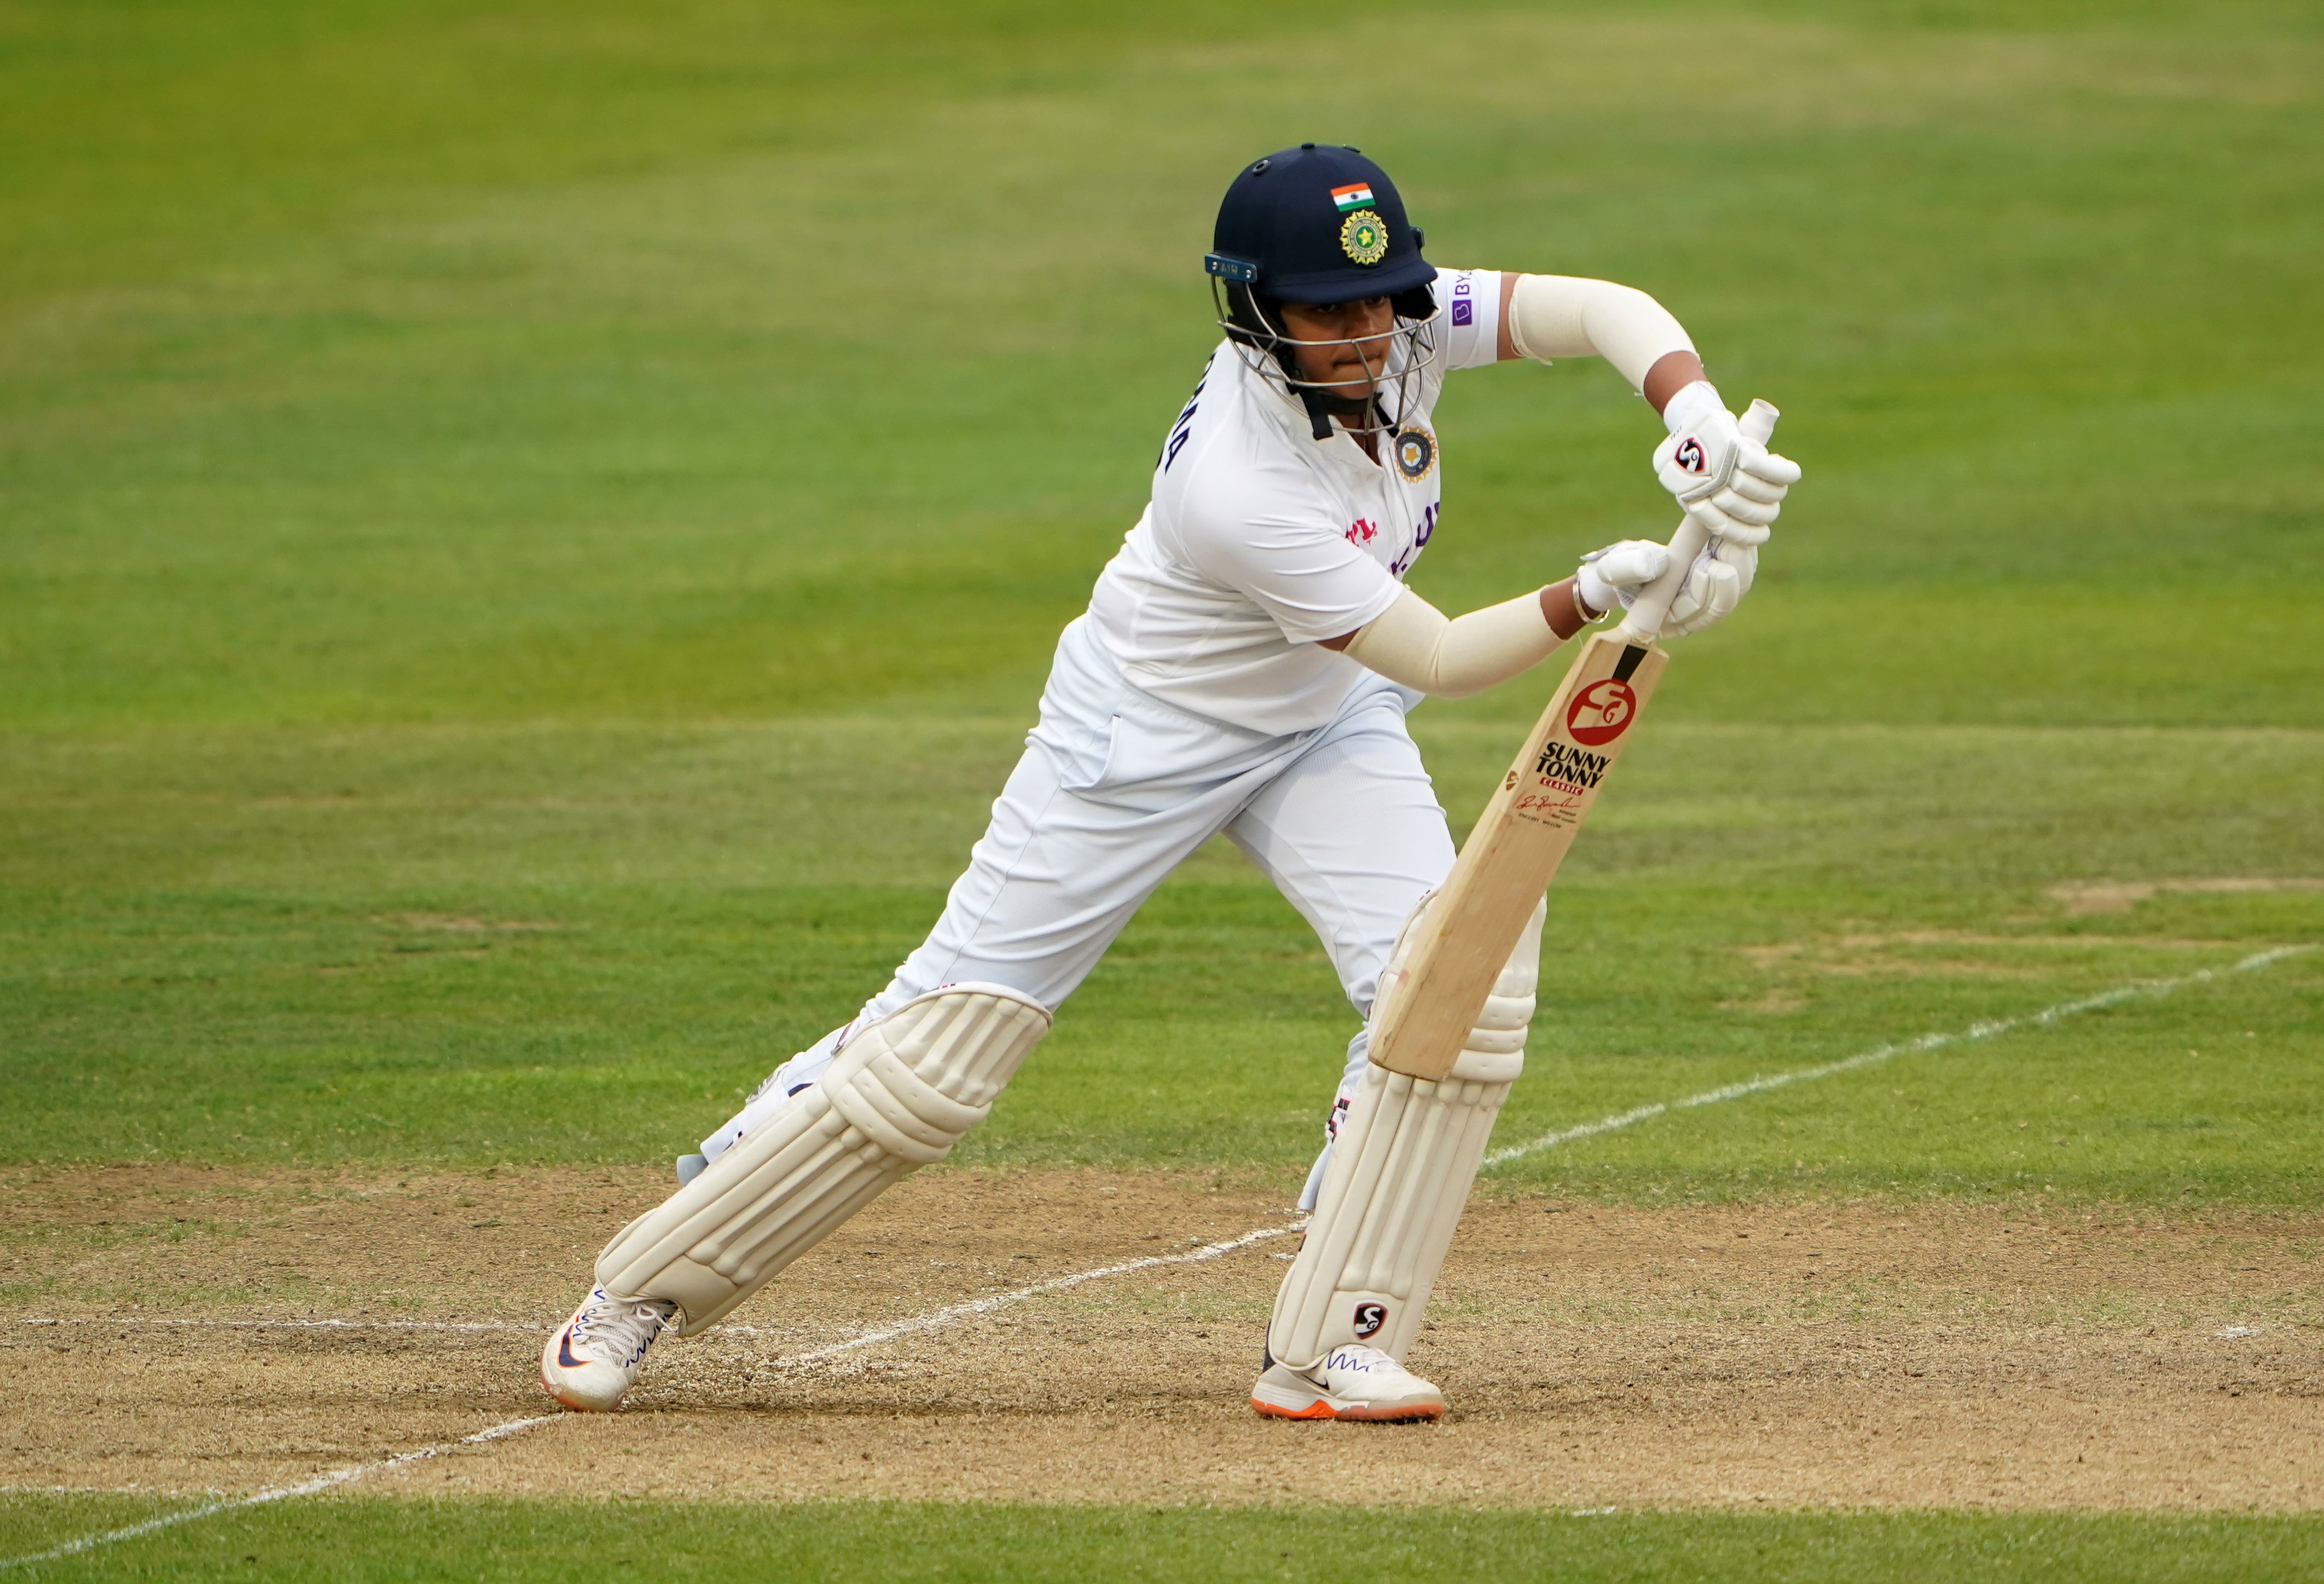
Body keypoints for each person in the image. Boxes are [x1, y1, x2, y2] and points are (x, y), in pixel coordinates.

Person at [541, 143, 1798, 1421]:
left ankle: (1332, 1345)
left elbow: (1596, 311)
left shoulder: (1401, 331)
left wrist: (1688, 409)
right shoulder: (1234, 486)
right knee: (942, 1060)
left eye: (1382, 300)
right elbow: (1439, 653)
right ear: (1255, 311)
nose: (1365, 334)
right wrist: (1594, 594)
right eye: (1328, 310)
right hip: (1139, 740)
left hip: (1323, 724)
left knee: (1458, 982)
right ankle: (641, 1289)